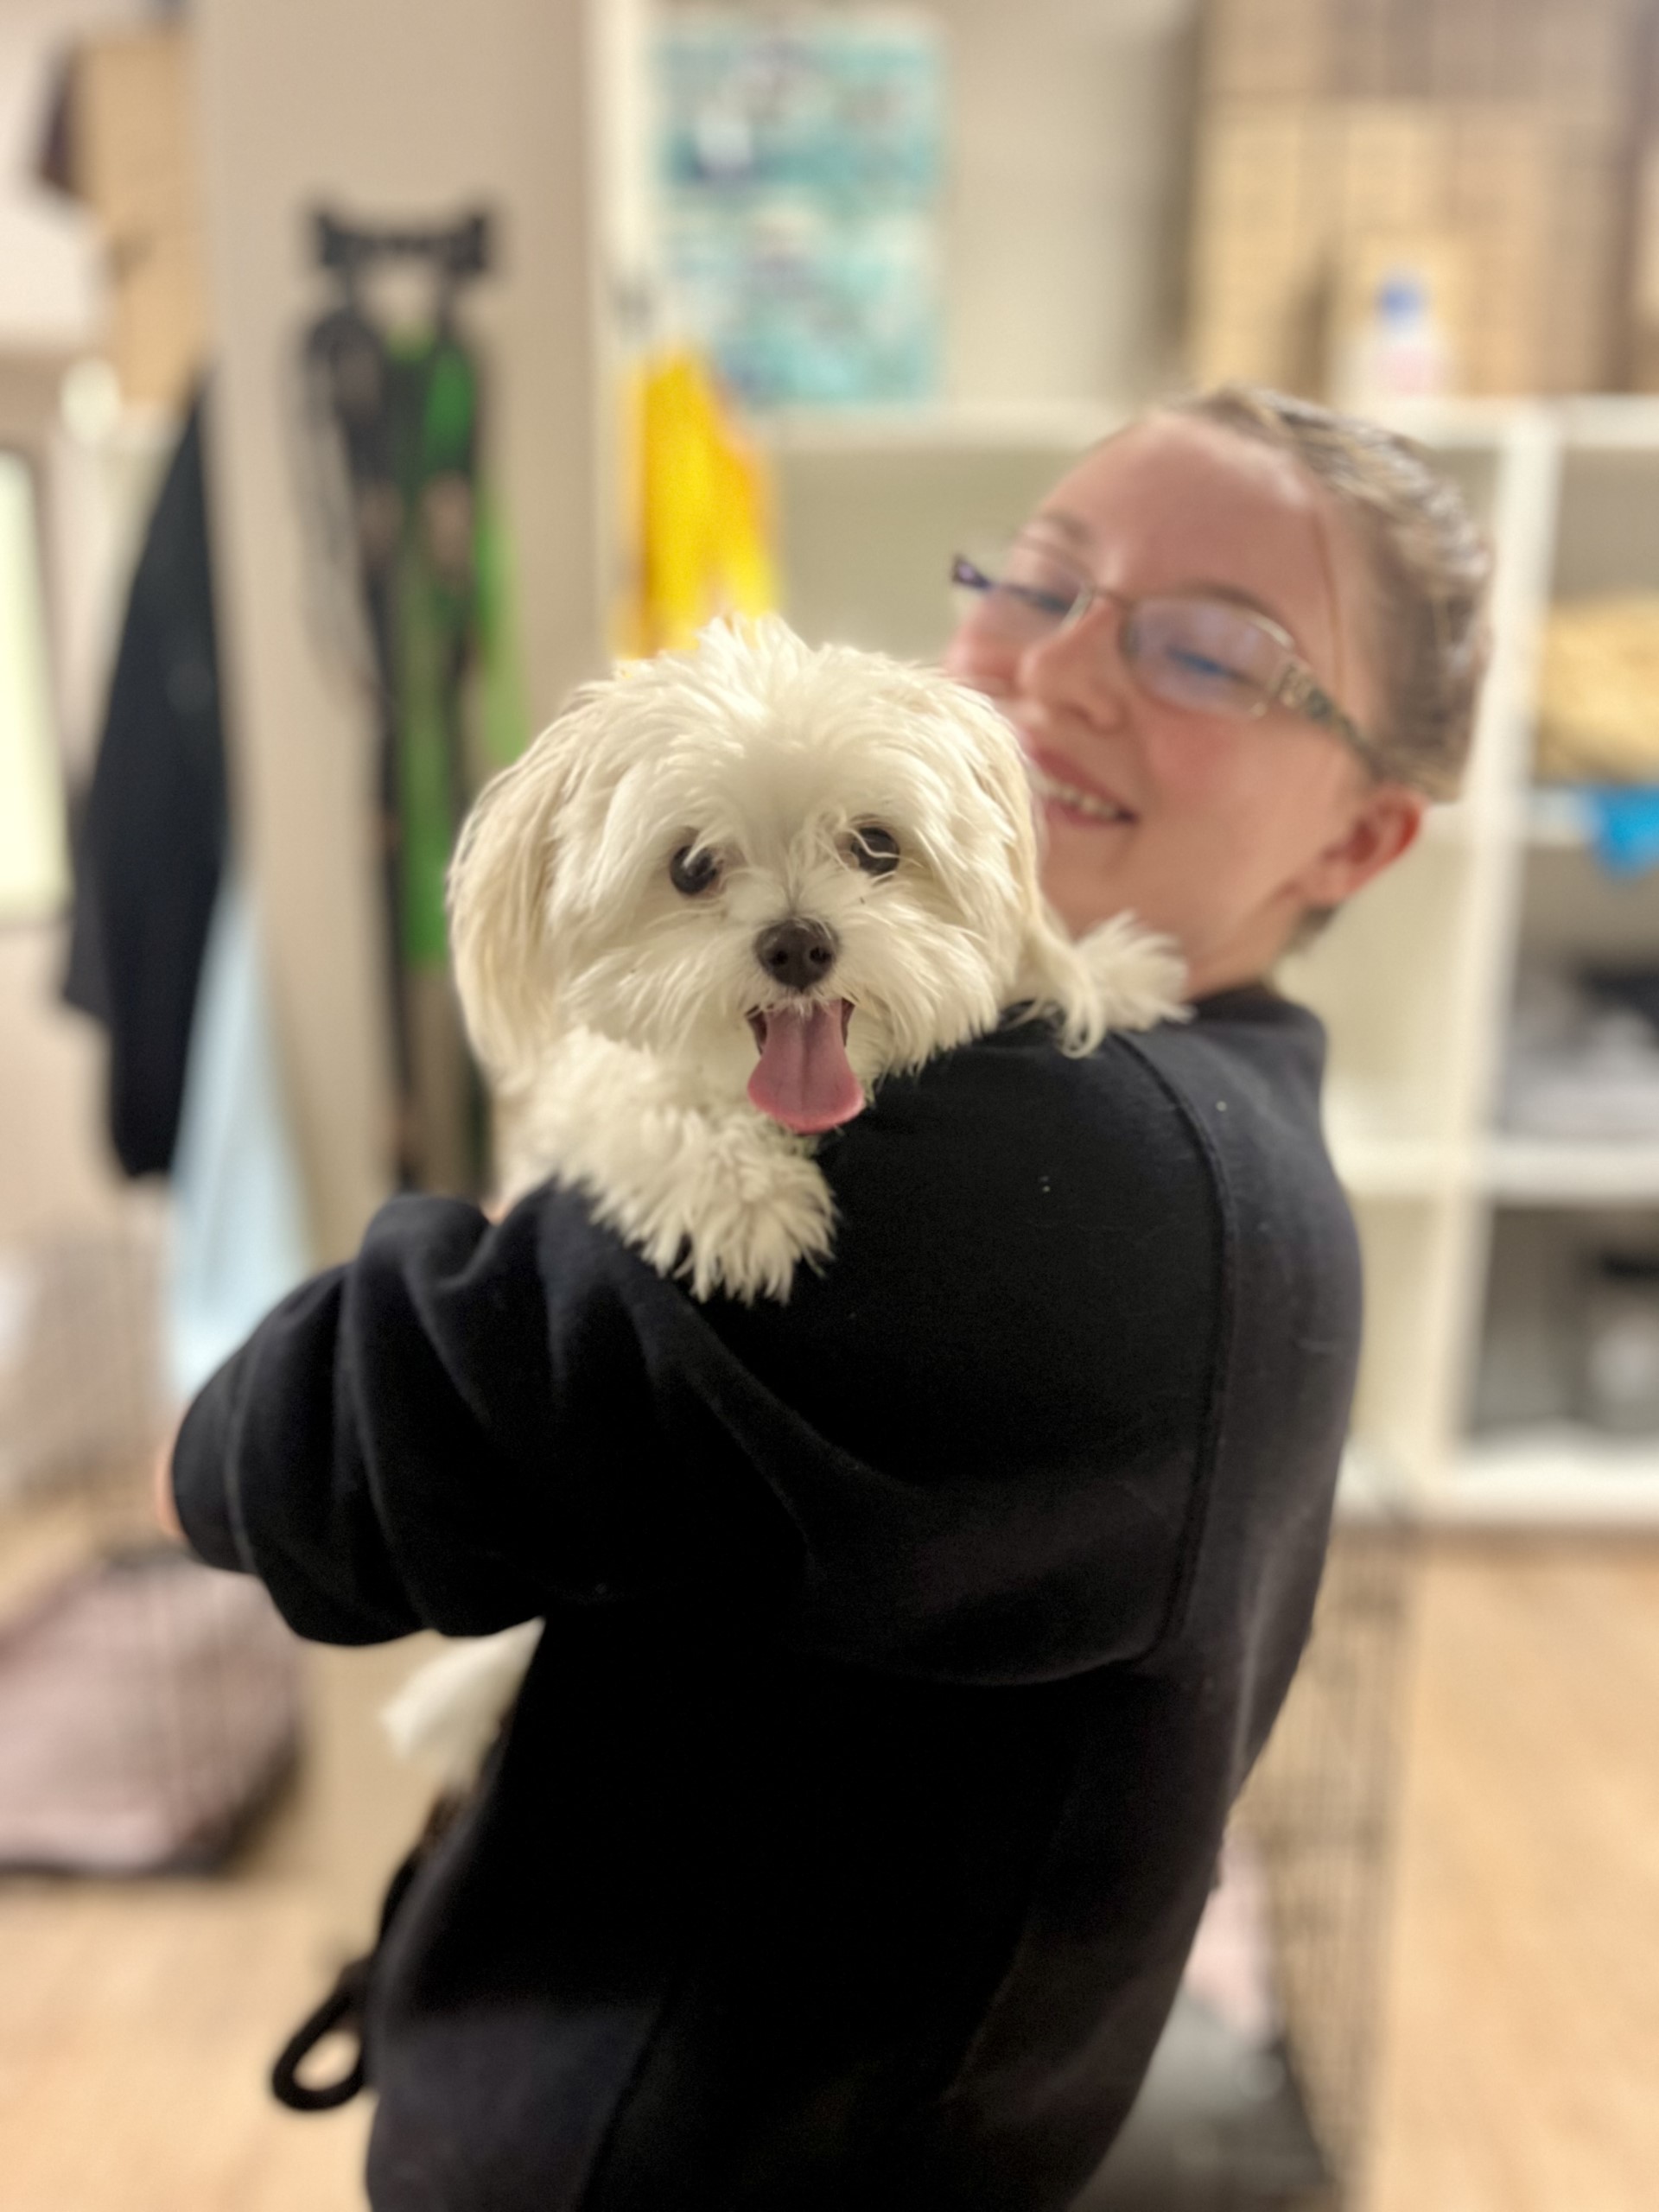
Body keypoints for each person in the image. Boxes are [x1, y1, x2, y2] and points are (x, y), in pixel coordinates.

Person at [162, 384, 1490, 2211]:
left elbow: (273, 1463)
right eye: (1039, 581)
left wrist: (495, 1231)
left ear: (1358, 841)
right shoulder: (1240, 1126)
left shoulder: (1048, 1158)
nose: (1061, 669)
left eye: (1205, 649)